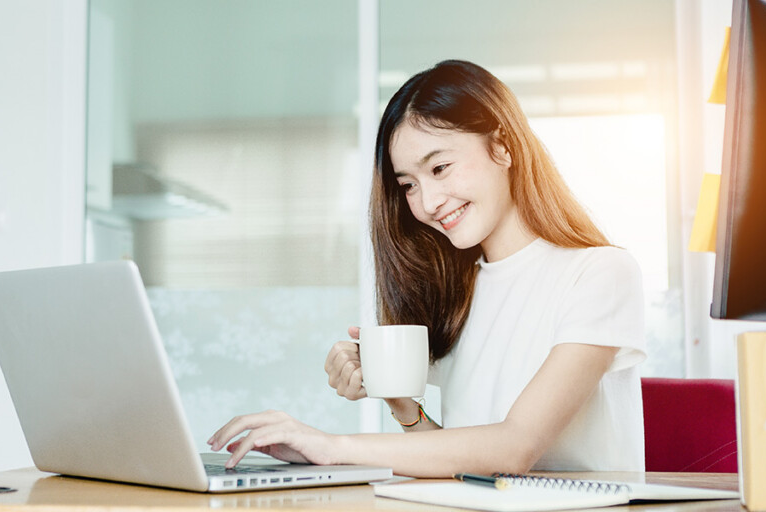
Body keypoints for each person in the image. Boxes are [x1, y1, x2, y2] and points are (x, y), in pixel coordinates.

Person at [208, 59, 646, 477]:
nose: (429, 202)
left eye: (440, 167)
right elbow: (470, 464)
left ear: (503, 146)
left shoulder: (600, 273)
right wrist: (404, 407)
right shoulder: (456, 291)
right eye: (409, 185)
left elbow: (515, 447)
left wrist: (331, 447)